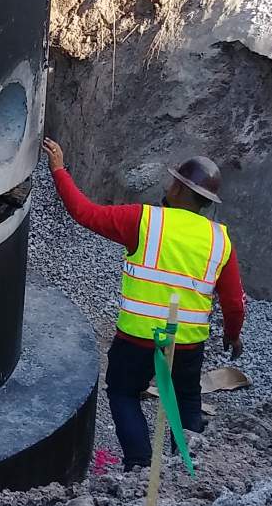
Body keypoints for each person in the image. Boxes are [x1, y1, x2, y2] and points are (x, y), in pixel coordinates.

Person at [41, 137, 246, 470]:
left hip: (137, 339)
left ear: (180, 190)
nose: (168, 186)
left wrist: (59, 171)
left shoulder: (145, 221)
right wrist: (233, 335)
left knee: (123, 393)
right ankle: (186, 468)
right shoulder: (219, 240)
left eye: (173, 181)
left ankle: (139, 466)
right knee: (186, 401)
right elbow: (233, 302)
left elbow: (84, 213)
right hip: (187, 343)